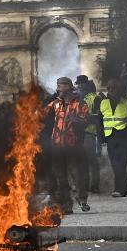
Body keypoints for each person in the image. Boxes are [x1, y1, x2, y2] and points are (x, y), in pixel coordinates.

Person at [45, 77, 89, 214]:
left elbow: (86, 121)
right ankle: (66, 205)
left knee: (78, 174)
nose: (58, 88)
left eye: (61, 85)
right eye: (57, 85)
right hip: (57, 145)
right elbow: (41, 113)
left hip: (73, 145)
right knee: (61, 177)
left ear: (69, 87)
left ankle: (82, 200)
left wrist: (75, 121)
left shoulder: (80, 103)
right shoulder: (55, 103)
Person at [99, 79, 127, 197]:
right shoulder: (104, 102)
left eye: (113, 87)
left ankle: (120, 189)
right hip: (110, 137)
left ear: (119, 89)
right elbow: (100, 121)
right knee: (115, 163)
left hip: (123, 136)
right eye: (109, 88)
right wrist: (101, 138)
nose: (111, 90)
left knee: (119, 163)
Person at [75, 75, 101, 194]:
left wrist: (83, 119)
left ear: (85, 86)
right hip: (77, 135)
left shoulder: (95, 98)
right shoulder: (76, 98)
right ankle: (82, 185)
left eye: (80, 85)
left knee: (91, 161)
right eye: (77, 85)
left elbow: (98, 117)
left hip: (89, 134)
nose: (78, 87)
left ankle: (94, 185)